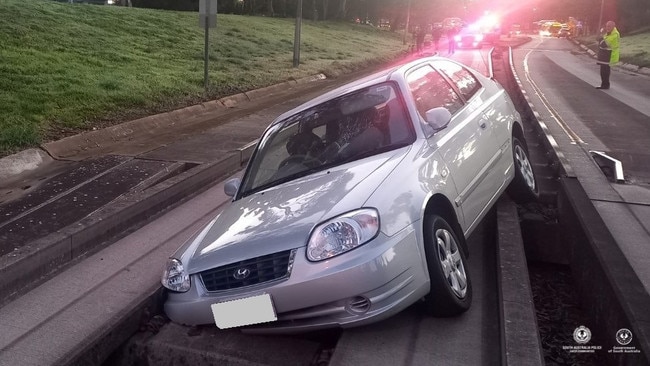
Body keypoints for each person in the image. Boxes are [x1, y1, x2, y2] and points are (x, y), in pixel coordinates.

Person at [596, 20, 620, 90]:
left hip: (609, 55)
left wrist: (601, 39)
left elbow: (604, 44)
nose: (607, 27)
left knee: (605, 71)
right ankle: (604, 84)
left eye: (609, 26)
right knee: (602, 71)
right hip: (604, 54)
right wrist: (600, 38)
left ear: (613, 26)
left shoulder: (614, 34)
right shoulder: (609, 33)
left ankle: (605, 85)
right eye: (606, 26)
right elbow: (598, 39)